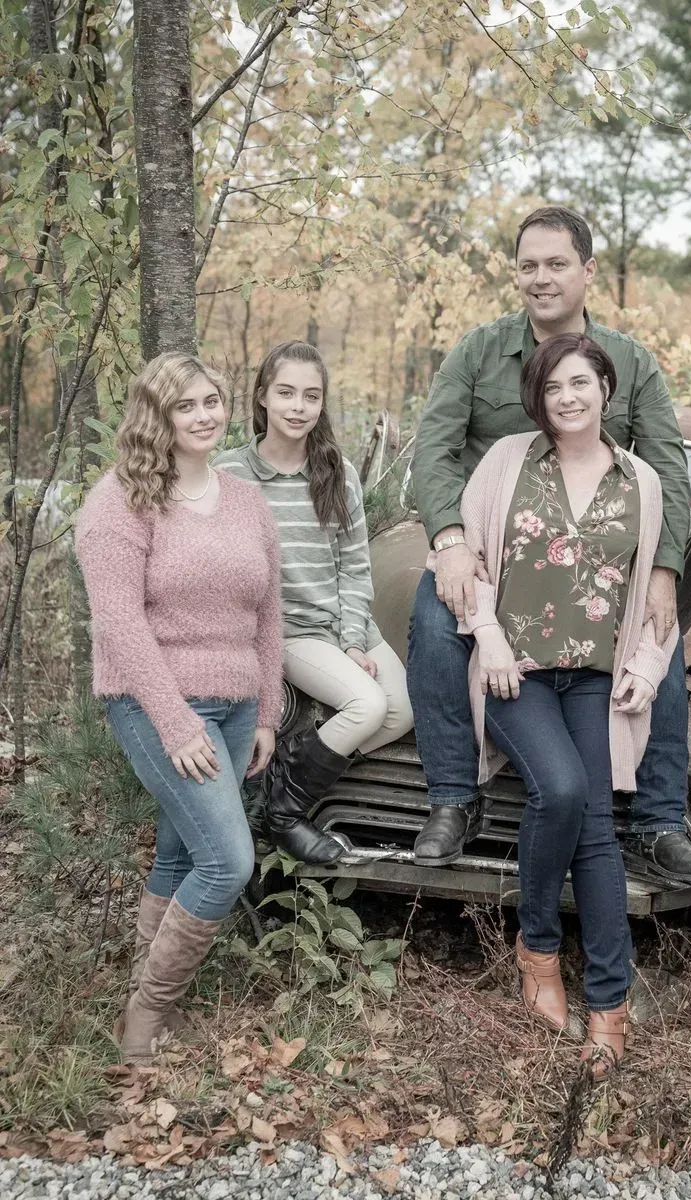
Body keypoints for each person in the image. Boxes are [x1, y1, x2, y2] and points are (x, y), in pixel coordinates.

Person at [407, 204, 691, 884]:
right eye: (528, 266)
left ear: (587, 271)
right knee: (435, 622)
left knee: (659, 638)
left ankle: (659, 823)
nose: (541, 278)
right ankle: (453, 799)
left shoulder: (631, 363)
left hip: (592, 558)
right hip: (486, 547)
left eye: (556, 264)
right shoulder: (479, 351)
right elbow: (434, 451)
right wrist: (451, 540)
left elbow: (668, 467)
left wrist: (664, 569)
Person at [456, 332, 675, 1076]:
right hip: (513, 672)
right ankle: (539, 947)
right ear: (538, 399)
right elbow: (468, 562)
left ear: (605, 387)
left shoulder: (640, 481)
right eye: (554, 388)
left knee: (598, 833)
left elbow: (654, 592)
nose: (568, 398)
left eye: (580, 383)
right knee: (566, 789)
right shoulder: (508, 462)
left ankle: (609, 1005)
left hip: (593, 677)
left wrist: (646, 668)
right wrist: (485, 638)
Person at [75, 352, 284, 1065]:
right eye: (185, 405)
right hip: (155, 702)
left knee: (178, 852)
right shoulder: (119, 502)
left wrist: (265, 714)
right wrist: (175, 721)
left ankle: (147, 1004)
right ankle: (145, 1017)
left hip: (235, 704)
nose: (203, 416)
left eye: (211, 401)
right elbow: (119, 624)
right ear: (155, 416)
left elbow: (268, 614)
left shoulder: (246, 500)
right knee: (227, 861)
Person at [216, 342, 413, 865]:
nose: (298, 406)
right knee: (367, 705)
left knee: (402, 711)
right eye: (285, 393)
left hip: (344, 623)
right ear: (262, 396)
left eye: (310, 396)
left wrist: (352, 638)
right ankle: (285, 812)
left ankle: (292, 772)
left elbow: (355, 565)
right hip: (290, 632)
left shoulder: (336, 471)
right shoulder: (231, 475)